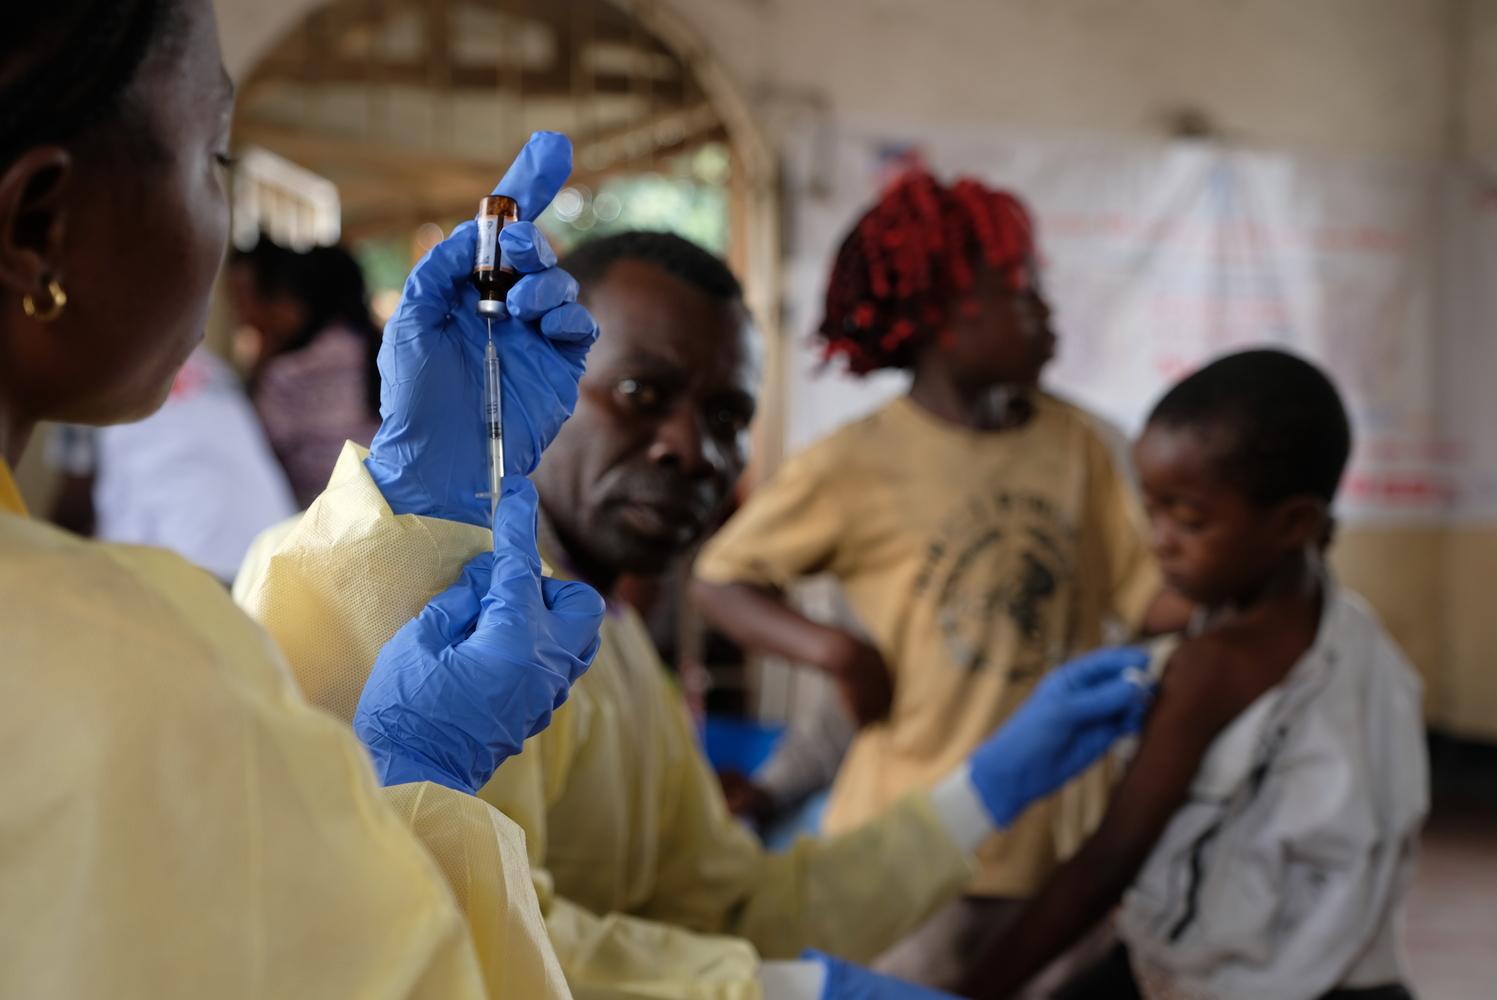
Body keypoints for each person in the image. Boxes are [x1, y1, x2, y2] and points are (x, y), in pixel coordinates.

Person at [236, 229, 1157, 1000]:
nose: (691, 449)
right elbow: (470, 930)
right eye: (641, 395)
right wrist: (789, 990)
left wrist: (982, 791)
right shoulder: (468, 626)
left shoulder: (614, 641)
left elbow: (727, 909)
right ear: (536, 381)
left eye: (728, 416)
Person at [0, 3, 606, 994]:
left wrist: (421, 496)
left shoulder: (124, 656)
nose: (226, 250)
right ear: (38, 228)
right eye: (216, 160)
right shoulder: (124, 669)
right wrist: (414, 789)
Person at [692, 171, 1183, 990]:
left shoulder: (1080, 448)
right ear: (947, 320)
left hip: (1059, 849)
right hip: (914, 851)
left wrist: (1243, 565)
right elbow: (722, 578)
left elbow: (1142, 598)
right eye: (1023, 292)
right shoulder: (860, 460)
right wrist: (839, 653)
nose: (1047, 314)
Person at [959, 350, 1428, 1000]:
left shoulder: (1213, 666)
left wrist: (967, 993)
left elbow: (1108, 863)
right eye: (1151, 511)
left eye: (1189, 519)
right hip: (1354, 967)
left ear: (1293, 523)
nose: (1159, 541)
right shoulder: (1344, 623)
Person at [45, 346, 298, 582]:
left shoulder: (84, 374)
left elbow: (73, 508)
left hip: (182, 571)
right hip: (272, 558)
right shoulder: (208, 363)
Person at [229, 238, 382, 506]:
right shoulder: (376, 351)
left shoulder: (287, 374)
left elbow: (256, 451)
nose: (245, 315)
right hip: (387, 508)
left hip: (319, 520)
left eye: (250, 298)